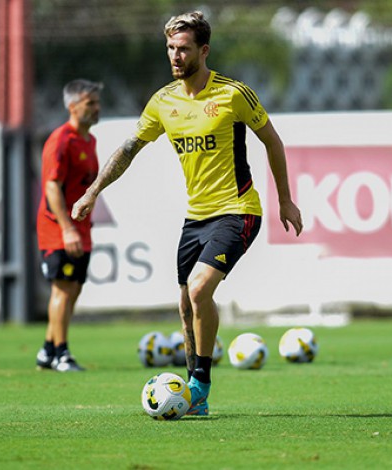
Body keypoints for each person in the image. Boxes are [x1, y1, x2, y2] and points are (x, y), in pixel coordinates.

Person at [72, 11, 303, 412]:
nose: (175, 56)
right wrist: (93, 191)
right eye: (170, 49)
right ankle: (195, 394)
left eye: (183, 49)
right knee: (185, 302)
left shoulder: (233, 94)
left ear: (204, 50)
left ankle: (199, 387)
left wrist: (285, 198)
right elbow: (129, 149)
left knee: (199, 289)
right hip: (195, 217)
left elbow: (273, 142)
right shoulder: (164, 101)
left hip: (238, 209)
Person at [35, 79, 102, 372]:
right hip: (58, 230)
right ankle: (62, 353)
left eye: (97, 103)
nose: (97, 109)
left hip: (81, 229)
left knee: (73, 289)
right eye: (91, 104)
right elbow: (52, 188)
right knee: (62, 289)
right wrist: (67, 228)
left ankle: (48, 350)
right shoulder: (61, 140)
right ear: (73, 106)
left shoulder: (90, 140)